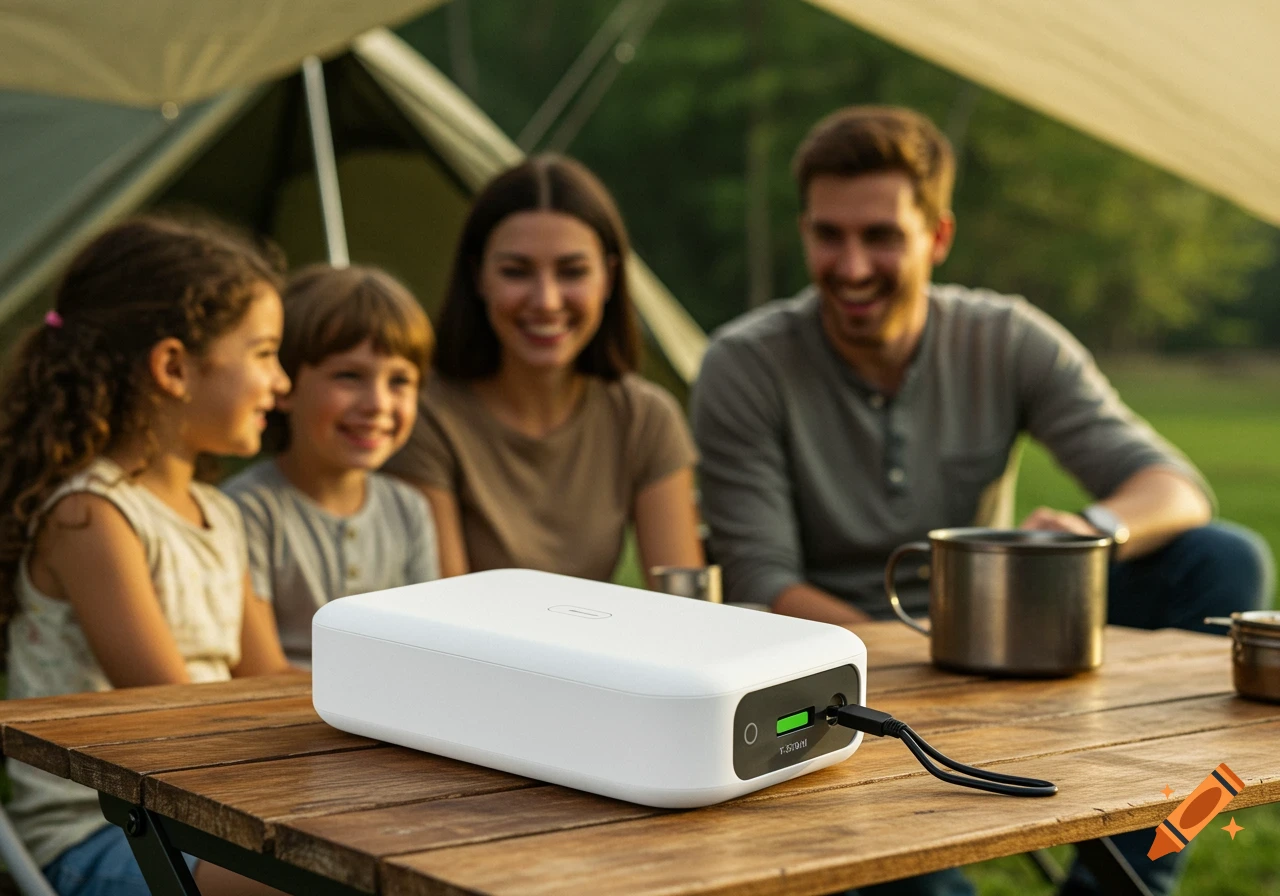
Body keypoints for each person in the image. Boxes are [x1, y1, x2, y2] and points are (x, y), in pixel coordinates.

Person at [690, 106, 1273, 896]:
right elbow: (762, 581)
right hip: (833, 671)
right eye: (829, 235)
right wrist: (911, 668)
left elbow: (1175, 488)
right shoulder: (744, 365)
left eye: (882, 236)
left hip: (999, 640)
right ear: (804, 233)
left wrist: (1089, 533)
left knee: (1225, 560)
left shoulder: (1007, 338)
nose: (851, 265)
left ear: (937, 236)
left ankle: (1135, 877)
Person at [0, 216, 295, 896]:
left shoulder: (220, 515)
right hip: (102, 834)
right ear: (172, 367)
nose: (282, 382)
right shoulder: (92, 516)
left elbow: (267, 678)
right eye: (264, 353)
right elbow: (175, 719)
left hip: (200, 814)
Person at [382, 154, 704, 585]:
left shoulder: (646, 418)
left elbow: (685, 607)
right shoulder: (424, 419)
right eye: (516, 272)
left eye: (572, 272)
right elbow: (444, 620)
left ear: (609, 278)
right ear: (479, 276)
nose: (546, 300)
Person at [222, 264, 439, 666]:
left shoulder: (409, 510)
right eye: (349, 376)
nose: (377, 404)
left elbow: (429, 646)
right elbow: (260, 671)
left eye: (399, 381)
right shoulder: (246, 511)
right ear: (285, 385)